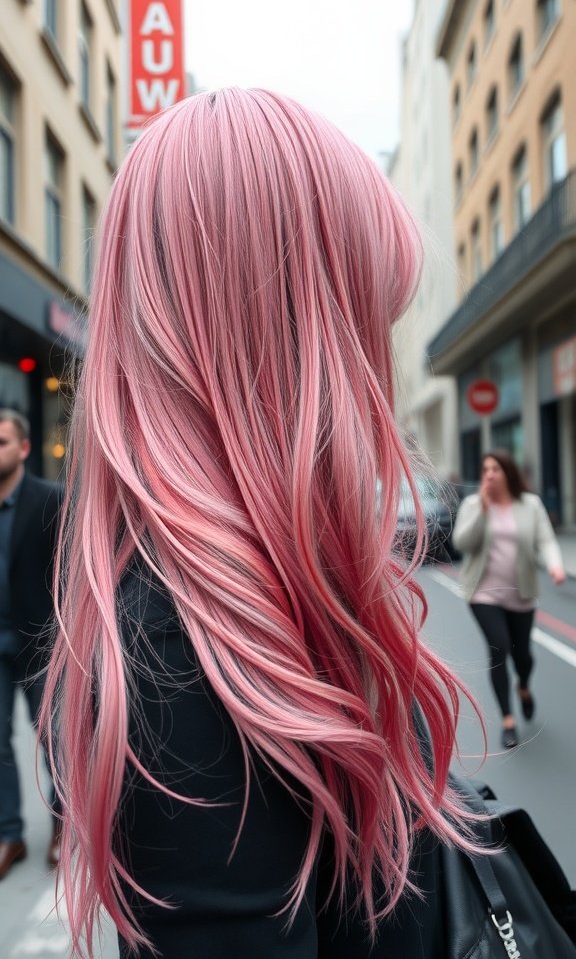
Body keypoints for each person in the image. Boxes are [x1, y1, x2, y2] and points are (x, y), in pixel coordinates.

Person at [41, 89, 479, 958]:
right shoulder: (187, 655)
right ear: (297, 338)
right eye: (362, 321)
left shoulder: (265, 598)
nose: (376, 371)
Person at [452, 449, 566, 750]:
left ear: (508, 473)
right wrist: (483, 510)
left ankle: (524, 687)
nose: (489, 474)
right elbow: (462, 543)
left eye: (496, 469)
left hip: (521, 595)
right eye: (485, 469)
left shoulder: (530, 505)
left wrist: (555, 566)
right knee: (499, 648)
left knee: (523, 656)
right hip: (483, 593)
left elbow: (545, 540)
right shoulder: (473, 504)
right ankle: (508, 720)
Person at [0, 409, 62, 878]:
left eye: (2, 442)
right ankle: (10, 835)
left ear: (23, 448)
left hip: (41, 639)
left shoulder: (51, 500)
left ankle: (64, 827)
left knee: (54, 738)